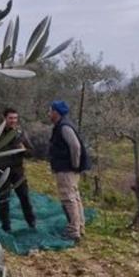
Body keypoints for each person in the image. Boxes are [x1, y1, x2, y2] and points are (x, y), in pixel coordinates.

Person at [48, 100, 90, 242]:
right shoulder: (63, 125)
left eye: (50, 111)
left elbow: (75, 147)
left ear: (56, 112)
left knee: (69, 198)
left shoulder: (64, 127)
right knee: (75, 197)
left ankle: (73, 231)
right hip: (68, 168)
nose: (49, 113)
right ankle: (79, 227)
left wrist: (74, 165)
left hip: (67, 169)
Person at [0, 108, 36, 232]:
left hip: (17, 172)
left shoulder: (20, 134)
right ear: (4, 118)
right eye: (11, 118)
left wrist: (24, 150)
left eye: (15, 118)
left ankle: (31, 223)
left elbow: (31, 152)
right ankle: (6, 227)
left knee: (24, 197)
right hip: (1, 172)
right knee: (4, 200)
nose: (13, 121)